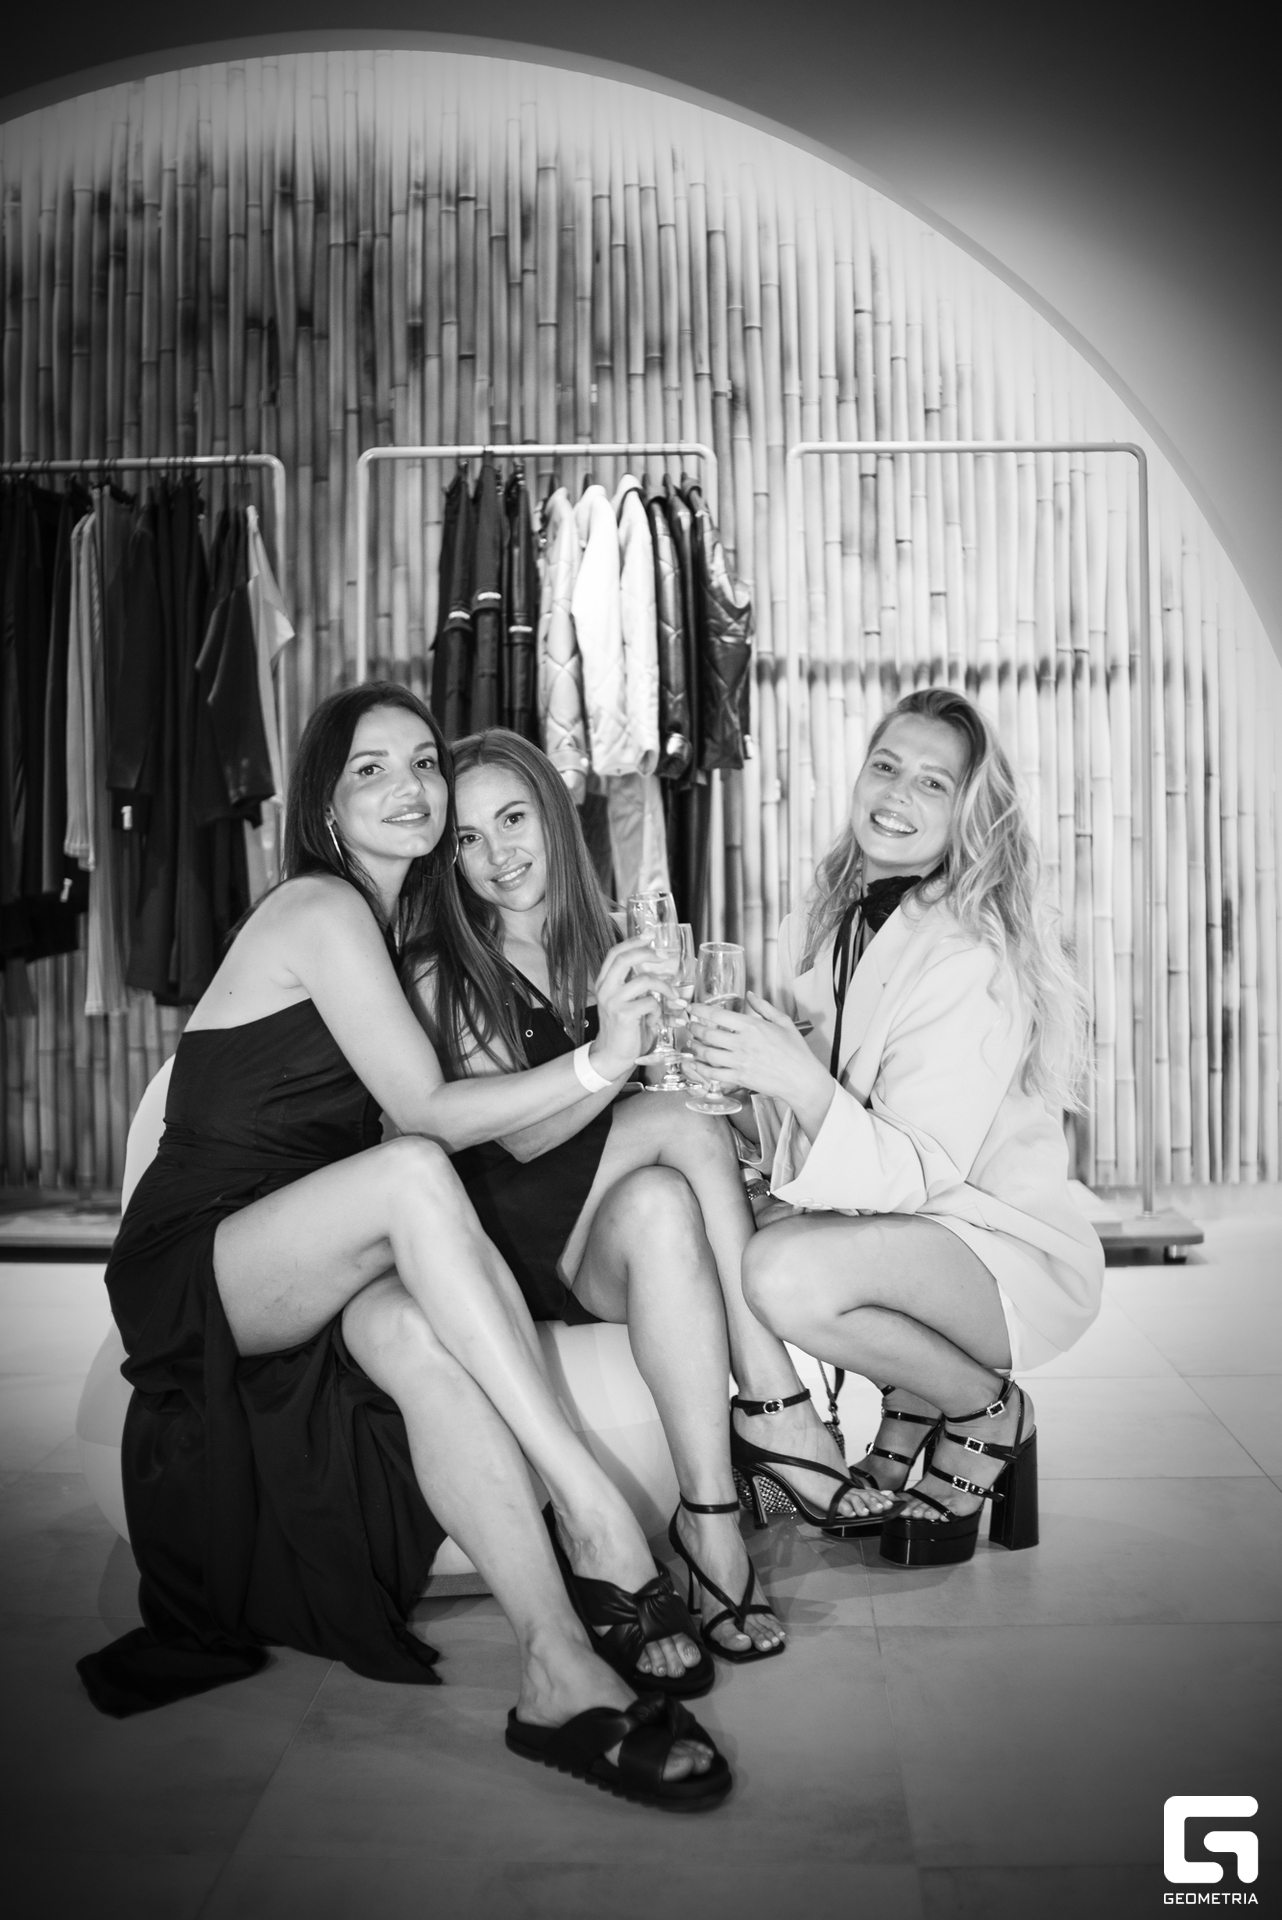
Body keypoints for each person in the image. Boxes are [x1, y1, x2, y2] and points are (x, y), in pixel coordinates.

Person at [77, 682, 730, 1814]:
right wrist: (600, 1061)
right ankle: (591, 1511)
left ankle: (553, 1667)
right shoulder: (319, 908)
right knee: (417, 1170)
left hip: (326, 1248)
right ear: (324, 806)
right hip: (203, 1252)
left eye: (423, 762)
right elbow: (425, 1117)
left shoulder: (405, 938)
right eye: (370, 769)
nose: (411, 787)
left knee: (411, 1333)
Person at [419, 730, 884, 1667]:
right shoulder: (446, 964)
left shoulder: (614, 941)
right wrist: (619, 1059)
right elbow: (516, 1139)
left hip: (607, 1231)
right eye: (467, 838)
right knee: (679, 1129)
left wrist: (717, 1059)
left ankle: (711, 1528)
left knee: (670, 1196)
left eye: (512, 819)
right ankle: (778, 1408)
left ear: (552, 817)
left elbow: (670, 1099)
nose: (498, 854)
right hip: (508, 1236)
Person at [687, 687, 1104, 1567]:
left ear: (969, 815)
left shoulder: (968, 954)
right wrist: (748, 1084)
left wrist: (794, 1079)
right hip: (913, 1230)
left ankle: (984, 1408)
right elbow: (837, 1113)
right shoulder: (837, 918)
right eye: (885, 766)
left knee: (783, 1274)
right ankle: (908, 1400)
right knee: (716, 1216)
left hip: (998, 1254)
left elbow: (911, 1168)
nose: (897, 794)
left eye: (932, 782)